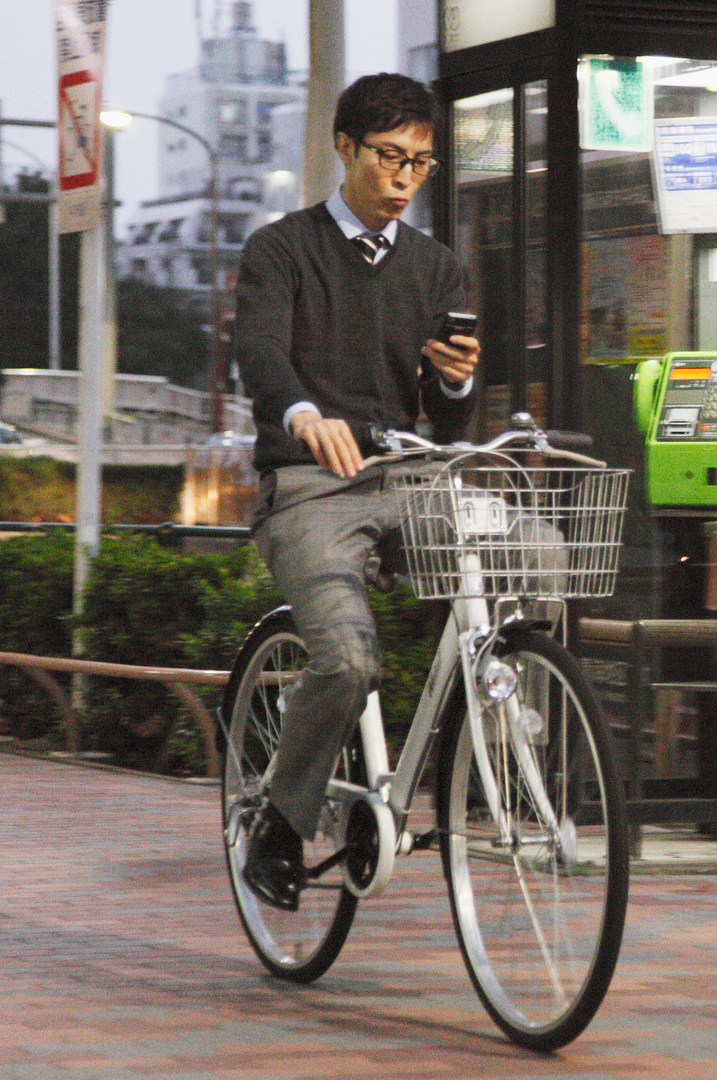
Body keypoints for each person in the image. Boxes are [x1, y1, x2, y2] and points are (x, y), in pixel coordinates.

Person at [232, 73, 481, 911]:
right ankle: (278, 819)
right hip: (308, 485)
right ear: (345, 148)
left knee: (544, 555)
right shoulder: (281, 249)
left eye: (422, 162)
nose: (406, 176)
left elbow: (448, 418)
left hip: (405, 479)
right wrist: (302, 413)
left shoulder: (439, 268)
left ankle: (510, 734)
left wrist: (452, 385)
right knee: (346, 658)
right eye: (389, 156)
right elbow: (262, 354)